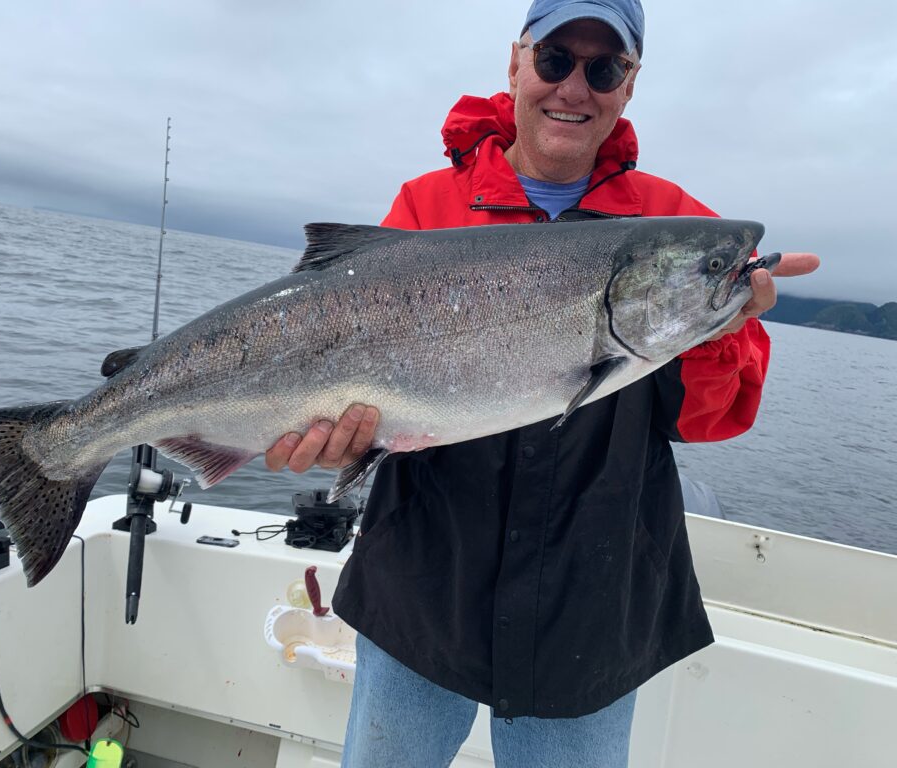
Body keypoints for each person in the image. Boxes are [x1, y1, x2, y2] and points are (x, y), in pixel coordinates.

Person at [266, 1, 819, 765]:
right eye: (556, 59)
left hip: (589, 604)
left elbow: (707, 421)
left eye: (604, 68)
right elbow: (364, 378)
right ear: (517, 63)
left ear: (629, 85)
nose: (574, 87)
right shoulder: (429, 205)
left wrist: (718, 329)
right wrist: (343, 437)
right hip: (423, 580)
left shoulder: (676, 224)